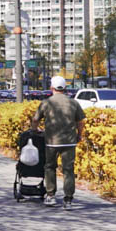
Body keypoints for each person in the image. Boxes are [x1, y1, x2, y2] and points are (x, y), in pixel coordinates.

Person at [29, 75, 86, 209]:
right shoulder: (73, 102)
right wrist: (80, 135)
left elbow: (35, 119)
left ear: (51, 88)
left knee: (50, 167)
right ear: (65, 88)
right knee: (68, 170)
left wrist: (35, 130)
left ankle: (51, 196)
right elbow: (80, 122)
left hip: (51, 141)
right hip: (69, 142)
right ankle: (68, 200)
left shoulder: (47, 103)